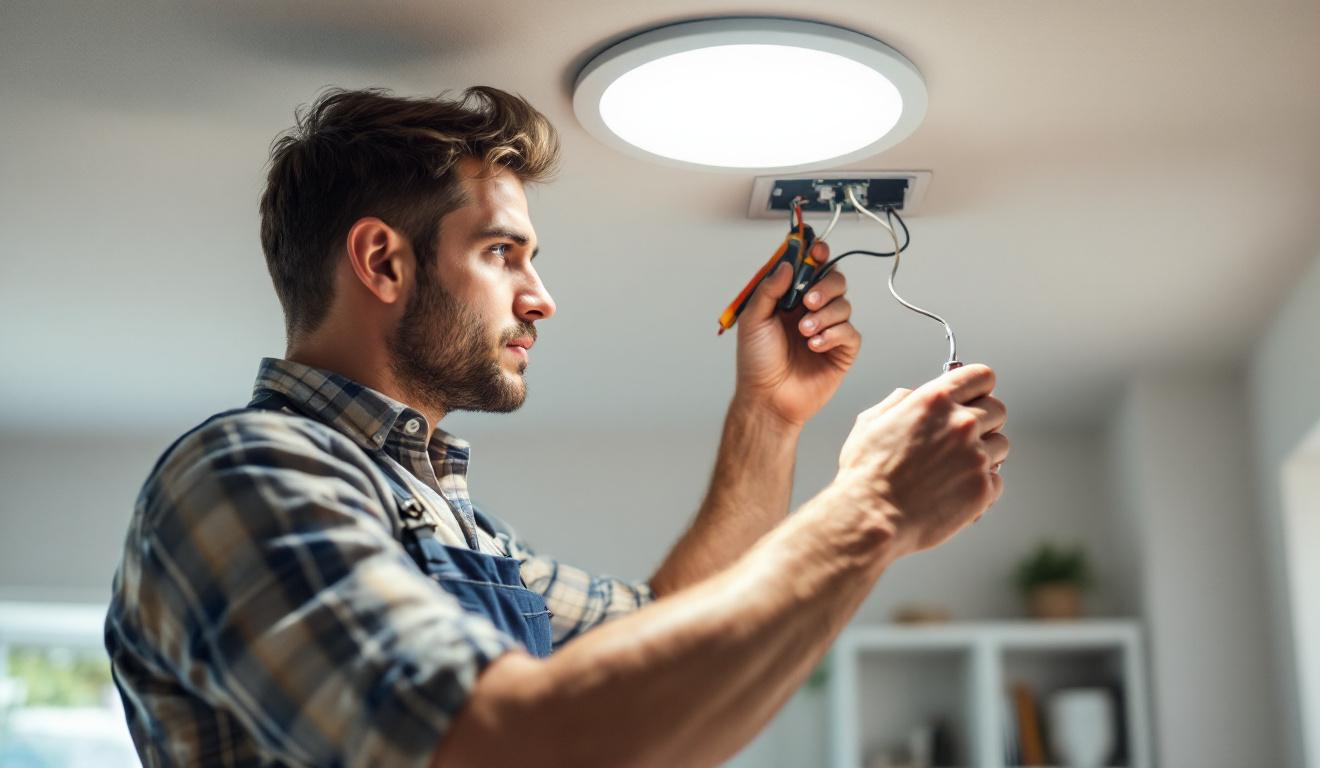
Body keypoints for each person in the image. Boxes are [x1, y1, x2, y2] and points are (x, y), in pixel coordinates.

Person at [104, 86, 1009, 767]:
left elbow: (668, 632)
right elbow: (501, 744)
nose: (541, 298)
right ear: (383, 261)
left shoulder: (463, 530)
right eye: (502, 252)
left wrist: (769, 415)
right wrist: (872, 509)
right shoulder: (248, 474)